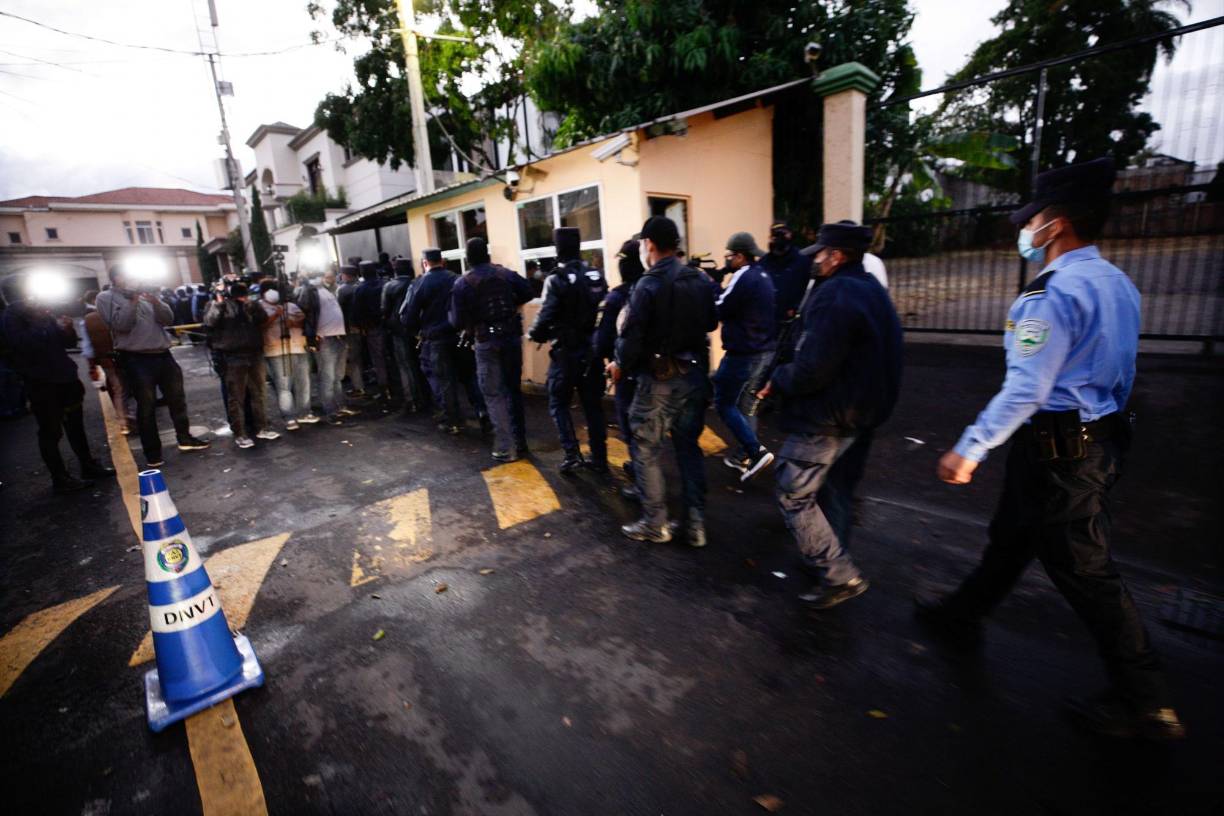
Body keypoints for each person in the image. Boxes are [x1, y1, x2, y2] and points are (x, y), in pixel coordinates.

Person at [918, 157, 1185, 740]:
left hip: (1058, 451)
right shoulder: (1117, 284)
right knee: (1012, 535)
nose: (1026, 229)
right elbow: (1121, 372)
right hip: (1097, 439)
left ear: (1055, 224)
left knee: (1085, 570)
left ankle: (1145, 699)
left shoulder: (1050, 295)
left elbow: (1028, 387)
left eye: (1032, 218)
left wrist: (971, 447)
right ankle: (962, 616)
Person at [757, 221, 902, 608]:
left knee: (793, 492)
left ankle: (839, 574)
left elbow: (812, 368)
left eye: (819, 253)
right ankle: (827, 558)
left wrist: (780, 380)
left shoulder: (836, 294)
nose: (814, 260)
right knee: (835, 488)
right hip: (860, 416)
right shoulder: (872, 290)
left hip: (827, 417)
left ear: (836, 256)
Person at [611, 216, 718, 546]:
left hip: (659, 380)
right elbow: (712, 322)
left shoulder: (648, 284)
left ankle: (655, 523)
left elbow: (631, 337)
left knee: (645, 447)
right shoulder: (698, 278)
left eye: (643, 243)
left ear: (650, 245)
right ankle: (695, 524)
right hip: (695, 376)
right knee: (688, 448)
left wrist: (619, 364)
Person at [0, 284, 115, 493]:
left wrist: (67, 329)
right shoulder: (12, 318)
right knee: (51, 431)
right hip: (42, 384)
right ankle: (60, 478)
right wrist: (42, 322)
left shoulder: (40, 312)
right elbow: (25, 344)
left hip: (65, 379)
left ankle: (87, 465)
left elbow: (64, 342)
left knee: (76, 426)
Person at [96, 266, 210, 468]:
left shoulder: (145, 295)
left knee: (177, 399)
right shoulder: (106, 298)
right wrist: (132, 301)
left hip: (163, 354)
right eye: (129, 276)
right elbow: (121, 325)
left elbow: (168, 319)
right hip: (136, 358)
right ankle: (153, 454)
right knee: (146, 406)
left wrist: (156, 302)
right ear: (117, 278)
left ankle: (185, 438)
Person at [528, 227, 609, 473]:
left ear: (558, 248)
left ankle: (572, 453)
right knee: (593, 405)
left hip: (566, 354)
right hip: (592, 351)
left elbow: (545, 317)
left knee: (558, 402)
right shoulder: (595, 275)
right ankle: (600, 457)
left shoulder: (556, 278)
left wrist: (535, 334)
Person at [449, 237, 534, 460]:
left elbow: (456, 321)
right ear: (487, 254)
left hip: (486, 342)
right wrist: (511, 306)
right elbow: (528, 291)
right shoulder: (504, 274)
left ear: (467, 258)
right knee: (513, 390)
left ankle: (506, 447)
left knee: (493, 394)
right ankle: (521, 441)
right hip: (511, 338)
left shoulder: (463, 283)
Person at [713, 232, 777, 481]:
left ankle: (755, 451)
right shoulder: (763, 275)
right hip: (764, 351)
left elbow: (720, 306)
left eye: (729, 256)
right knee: (746, 405)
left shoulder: (744, 275)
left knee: (724, 402)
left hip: (743, 354)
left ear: (739, 256)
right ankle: (743, 457)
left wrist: (710, 283)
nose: (727, 261)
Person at [202, 282, 280, 449]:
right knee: (236, 397)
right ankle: (240, 433)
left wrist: (250, 305)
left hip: (254, 353)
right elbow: (210, 321)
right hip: (232, 357)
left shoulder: (250, 306)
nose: (242, 298)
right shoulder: (219, 306)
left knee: (258, 393)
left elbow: (263, 319)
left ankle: (262, 427)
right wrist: (219, 301)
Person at [594, 239, 644, 485]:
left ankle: (641, 480)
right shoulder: (656, 289)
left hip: (626, 372)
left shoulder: (617, 297)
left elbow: (602, 340)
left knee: (631, 428)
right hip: (659, 373)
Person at [258, 279, 316, 431]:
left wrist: (294, 323)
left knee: (303, 382)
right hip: (276, 350)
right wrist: (276, 316)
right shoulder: (259, 307)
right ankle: (289, 417)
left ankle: (305, 412)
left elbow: (304, 320)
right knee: (284, 386)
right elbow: (259, 326)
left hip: (297, 347)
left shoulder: (290, 305)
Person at [298, 266, 354, 425]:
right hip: (325, 338)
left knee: (337, 376)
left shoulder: (325, 290)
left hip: (337, 337)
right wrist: (312, 335)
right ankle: (330, 410)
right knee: (328, 377)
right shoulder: (309, 291)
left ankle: (339, 405)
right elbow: (304, 312)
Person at [82, 289, 135, 435]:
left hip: (107, 359)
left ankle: (125, 421)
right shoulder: (111, 315)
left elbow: (88, 349)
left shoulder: (86, 320)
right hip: (124, 356)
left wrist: (92, 365)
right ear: (95, 300)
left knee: (119, 389)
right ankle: (127, 419)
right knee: (126, 388)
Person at [382, 258, 428, 415]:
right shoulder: (418, 283)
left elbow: (385, 310)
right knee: (419, 364)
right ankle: (426, 398)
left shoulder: (390, 286)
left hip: (398, 330)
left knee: (404, 365)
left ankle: (411, 400)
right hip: (418, 329)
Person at [759, 223, 813, 322]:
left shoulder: (803, 261)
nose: (779, 238)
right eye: (775, 234)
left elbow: (809, 289)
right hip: (767, 322)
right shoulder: (763, 263)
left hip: (793, 322)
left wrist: (796, 308)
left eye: (783, 233)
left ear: (790, 235)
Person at [336, 265, 365, 397]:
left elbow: (339, 309)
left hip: (349, 327)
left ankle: (358, 387)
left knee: (353, 359)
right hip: (365, 326)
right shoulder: (362, 286)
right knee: (361, 357)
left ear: (346, 275)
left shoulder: (343, 290)